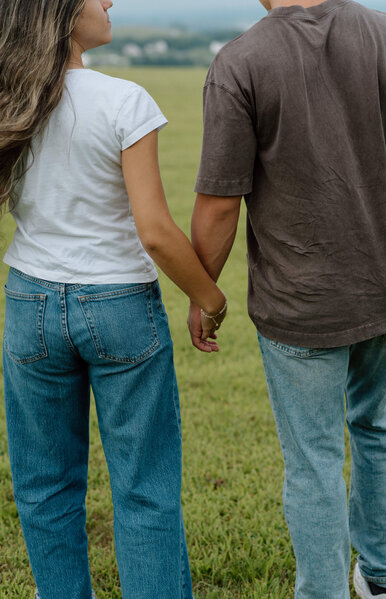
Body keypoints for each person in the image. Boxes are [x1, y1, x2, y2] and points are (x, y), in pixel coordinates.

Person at [0, 1, 227, 598]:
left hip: (31, 306)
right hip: (121, 307)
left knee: (45, 490)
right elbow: (154, 230)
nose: (109, 3)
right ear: (62, 13)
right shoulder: (123, 99)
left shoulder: (11, 100)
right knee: (144, 490)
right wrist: (210, 295)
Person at [188, 0, 386, 598]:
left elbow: (219, 202)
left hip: (300, 305)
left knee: (313, 461)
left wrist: (204, 292)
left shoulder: (242, 59)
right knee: (379, 423)